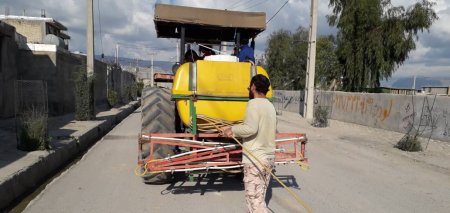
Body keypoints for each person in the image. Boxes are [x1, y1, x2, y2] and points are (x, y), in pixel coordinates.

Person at [221, 74, 276, 213]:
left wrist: (231, 130)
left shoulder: (253, 104)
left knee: (255, 202)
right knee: (259, 198)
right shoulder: (270, 106)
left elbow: (250, 128)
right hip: (268, 158)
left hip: (255, 159)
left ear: (253, 87)